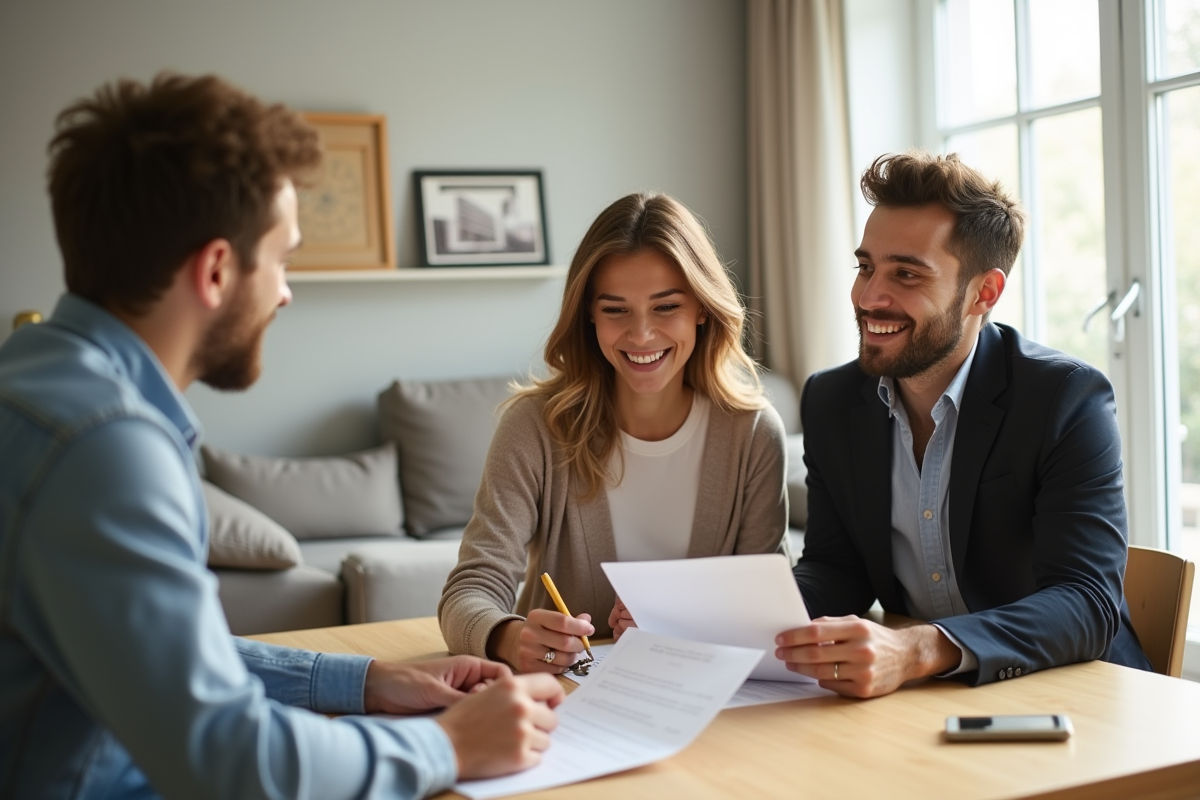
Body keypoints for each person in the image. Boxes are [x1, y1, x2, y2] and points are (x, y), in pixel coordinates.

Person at [0, 73, 564, 800]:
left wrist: (365, 682)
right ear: (215, 270)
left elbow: (167, 666)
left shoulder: (32, 377)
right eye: (284, 259)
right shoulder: (107, 449)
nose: (287, 292)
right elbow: (224, 755)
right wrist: (446, 743)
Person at [776, 150, 1152, 699]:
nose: (868, 297)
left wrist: (920, 648)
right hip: (926, 701)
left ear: (984, 292)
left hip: (1073, 696)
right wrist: (719, 615)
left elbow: (1085, 602)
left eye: (905, 273)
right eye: (865, 267)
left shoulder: (1065, 399)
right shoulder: (832, 400)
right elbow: (838, 570)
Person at [439, 192, 790, 674]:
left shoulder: (753, 435)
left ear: (702, 310)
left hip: (707, 697)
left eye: (666, 307)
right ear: (588, 315)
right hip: (566, 700)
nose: (641, 335)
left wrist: (683, 624)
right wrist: (507, 636)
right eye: (616, 310)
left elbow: (765, 605)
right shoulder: (535, 428)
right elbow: (470, 590)